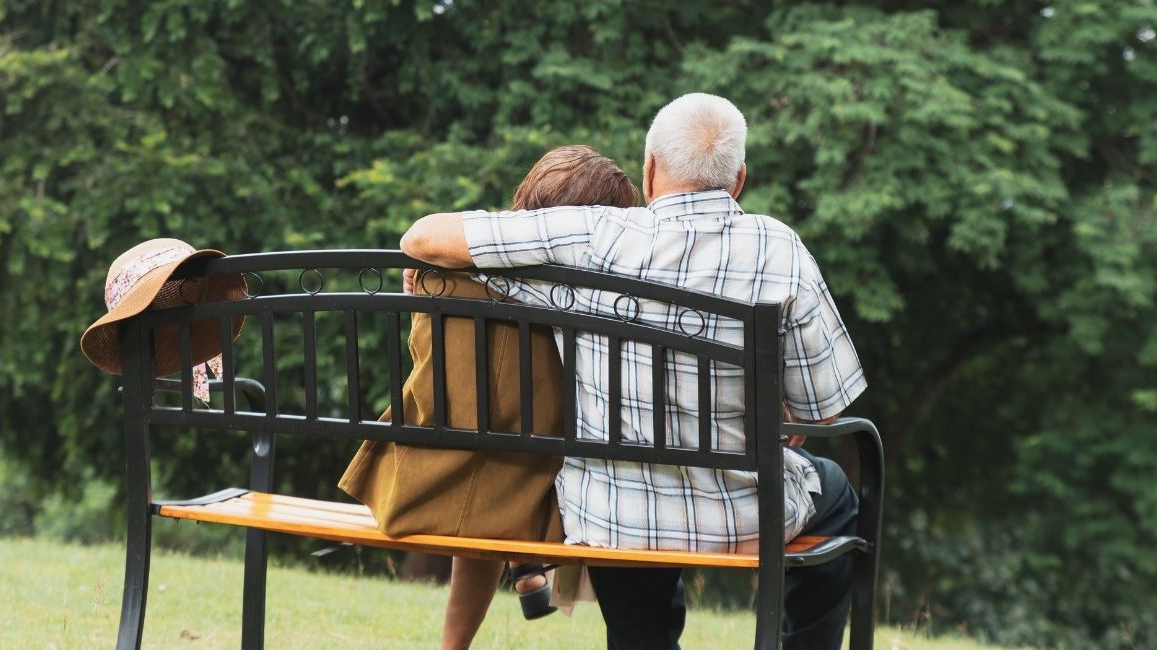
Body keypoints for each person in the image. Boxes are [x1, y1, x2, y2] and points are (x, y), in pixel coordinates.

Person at [399, 93, 867, 650]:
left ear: (649, 170)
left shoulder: (590, 236)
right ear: (738, 179)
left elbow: (422, 238)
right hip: (744, 516)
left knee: (630, 510)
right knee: (836, 490)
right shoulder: (780, 249)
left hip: (612, 518)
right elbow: (825, 411)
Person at [339, 145, 639, 649]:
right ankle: (525, 563)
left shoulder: (444, 274)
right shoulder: (588, 297)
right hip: (527, 494)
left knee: (485, 453)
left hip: (417, 484)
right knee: (512, 458)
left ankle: (468, 630)